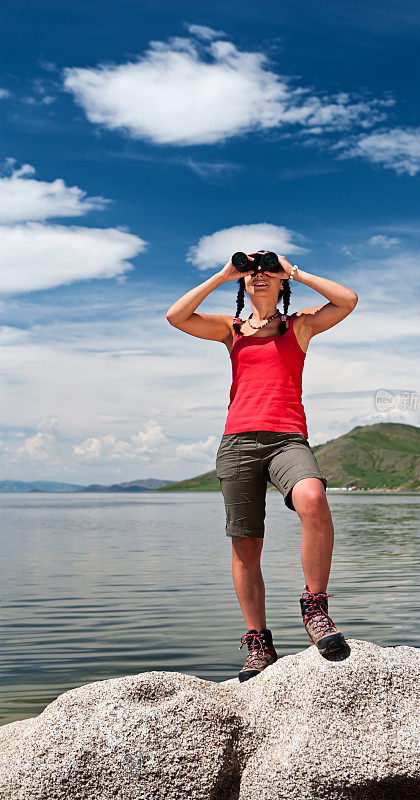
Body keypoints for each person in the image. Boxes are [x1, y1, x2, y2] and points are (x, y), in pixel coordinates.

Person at [166, 250, 358, 681]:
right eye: (252, 271)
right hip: (237, 443)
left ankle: (315, 607)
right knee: (246, 543)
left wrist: (297, 271)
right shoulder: (228, 330)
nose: (260, 275)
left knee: (312, 497)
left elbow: (347, 300)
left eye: (268, 270)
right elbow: (176, 316)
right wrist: (223, 274)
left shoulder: (299, 326)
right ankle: (259, 644)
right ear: (242, 282)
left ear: (282, 281)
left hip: (288, 438)